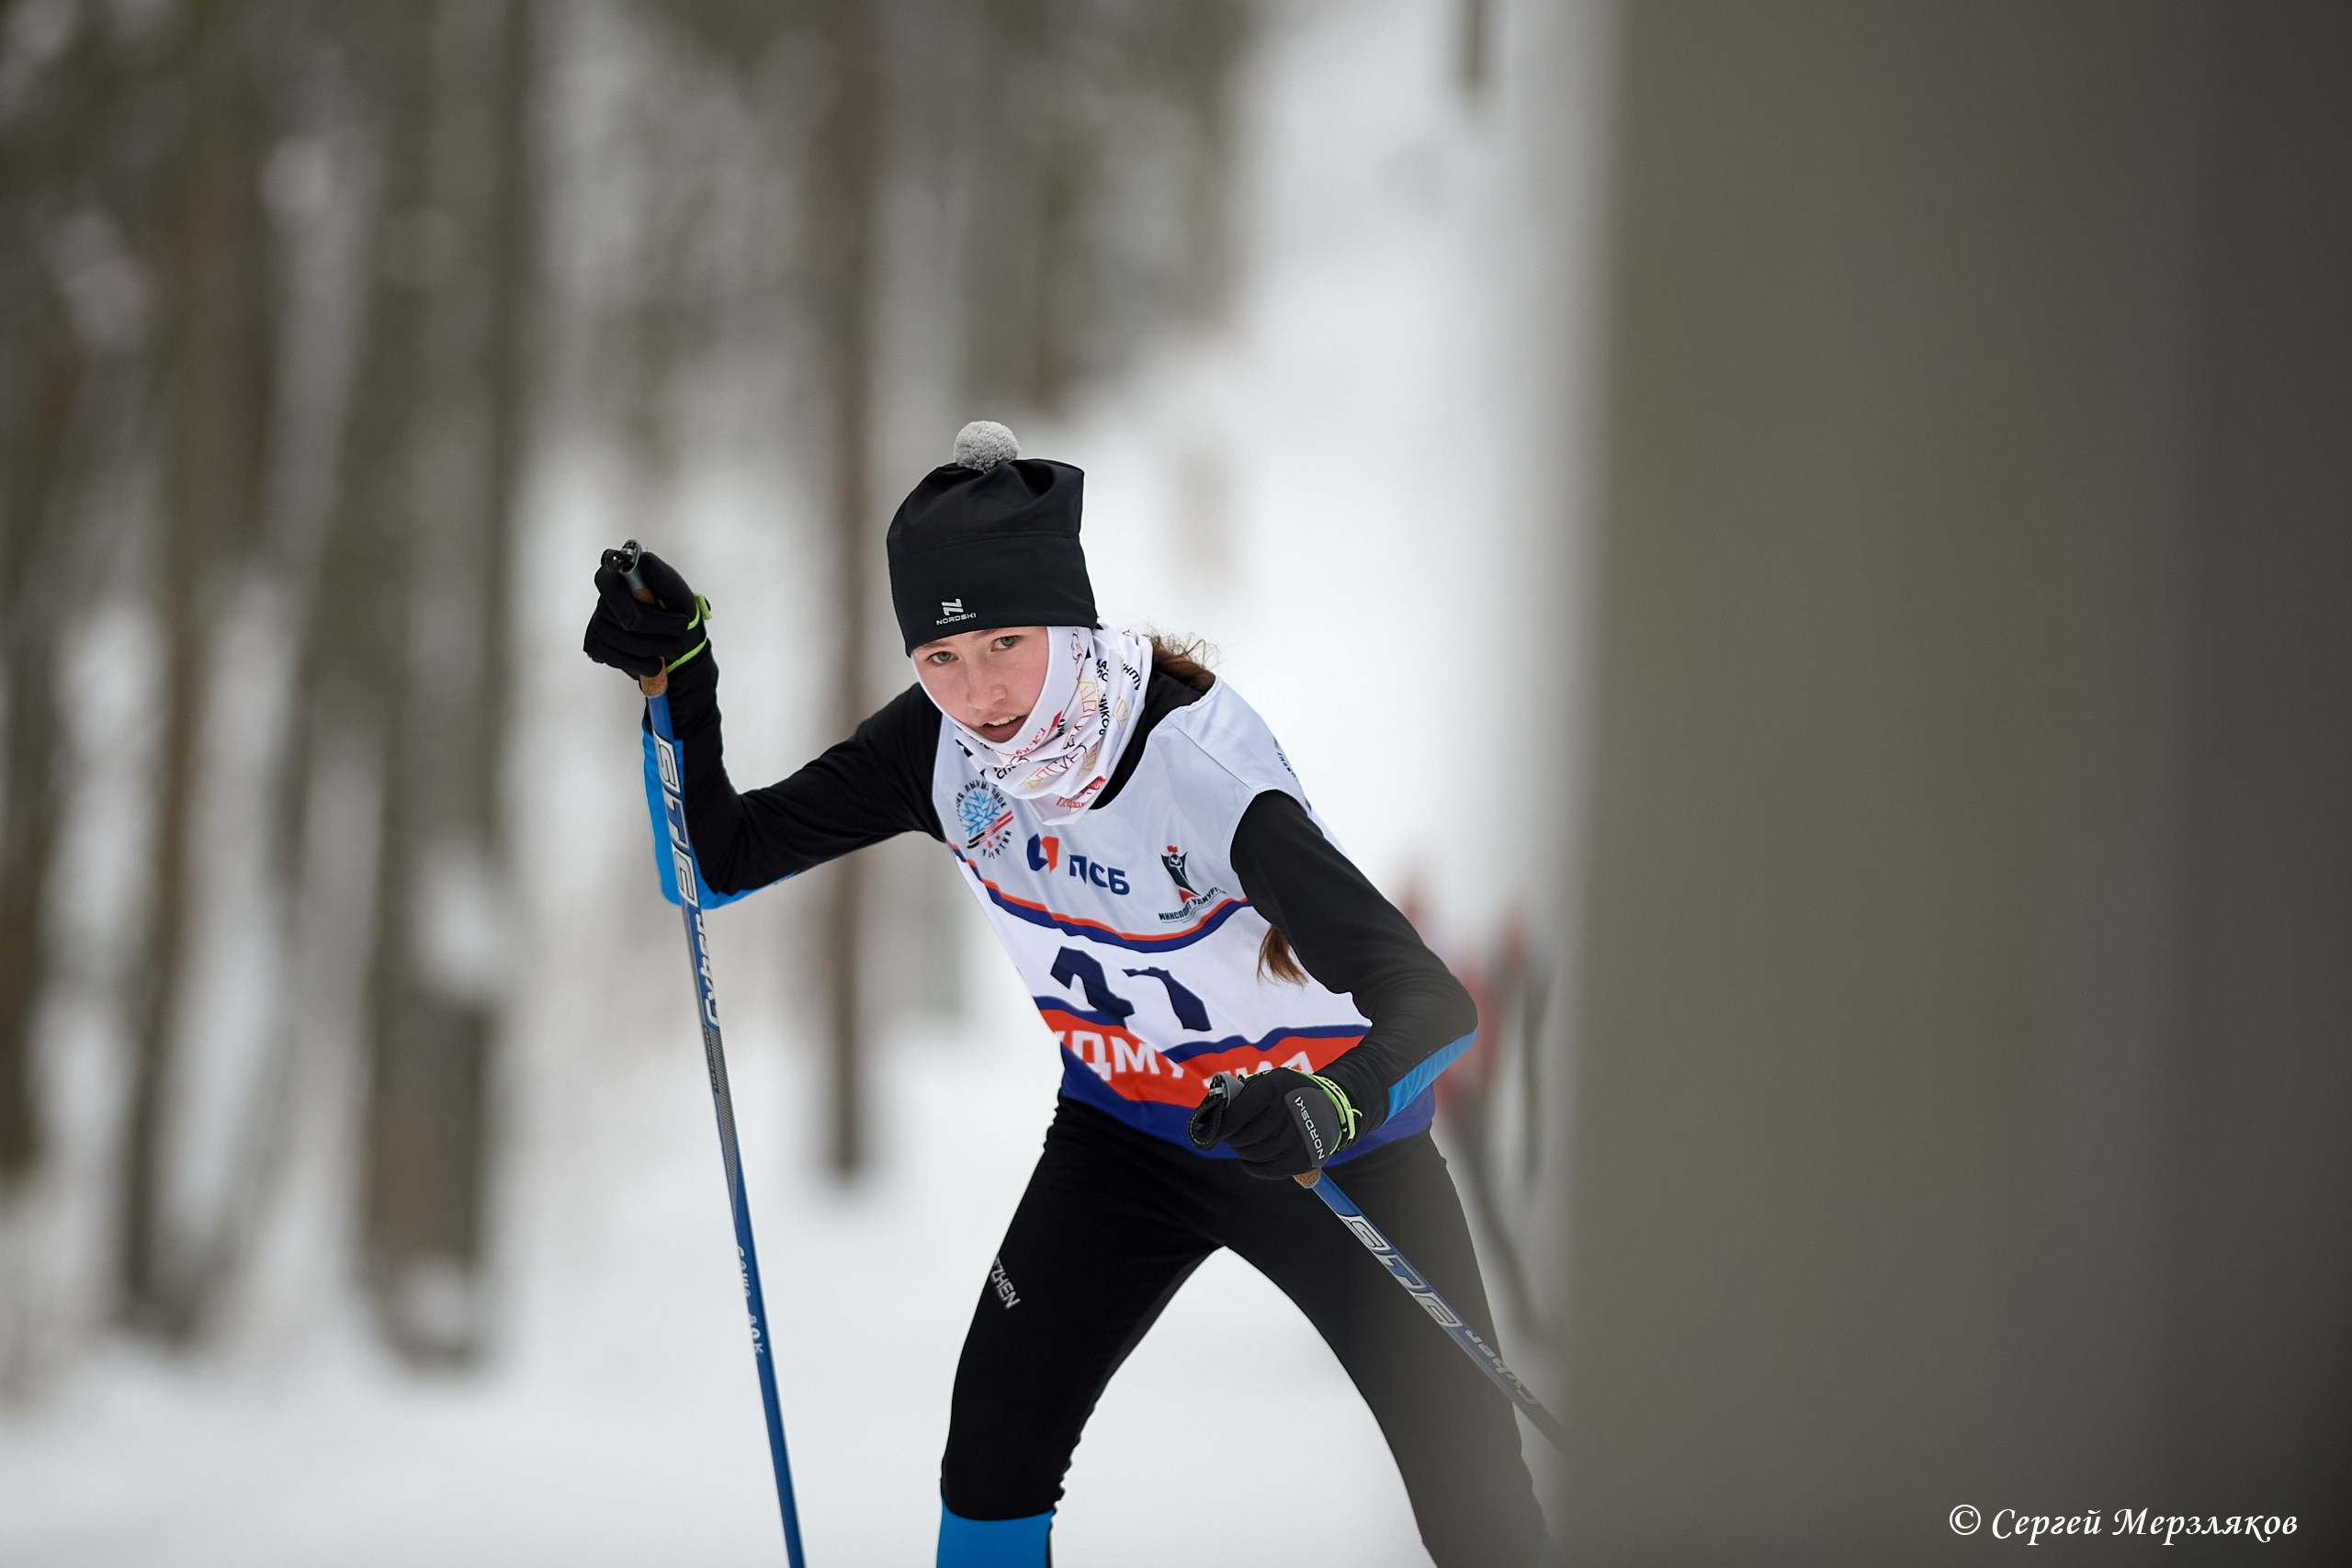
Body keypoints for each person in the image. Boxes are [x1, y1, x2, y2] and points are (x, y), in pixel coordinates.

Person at [584, 422, 1556, 1567]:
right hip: (1122, 1143)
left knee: (1476, 1507)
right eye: (939, 660)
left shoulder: (1199, 771)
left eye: (1006, 643)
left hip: (1329, 1152)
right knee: (990, 1465)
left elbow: (1430, 1000)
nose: (980, 692)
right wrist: (677, 680)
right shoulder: (936, 751)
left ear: (1070, 625)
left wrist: (1326, 1104)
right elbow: (713, 863)